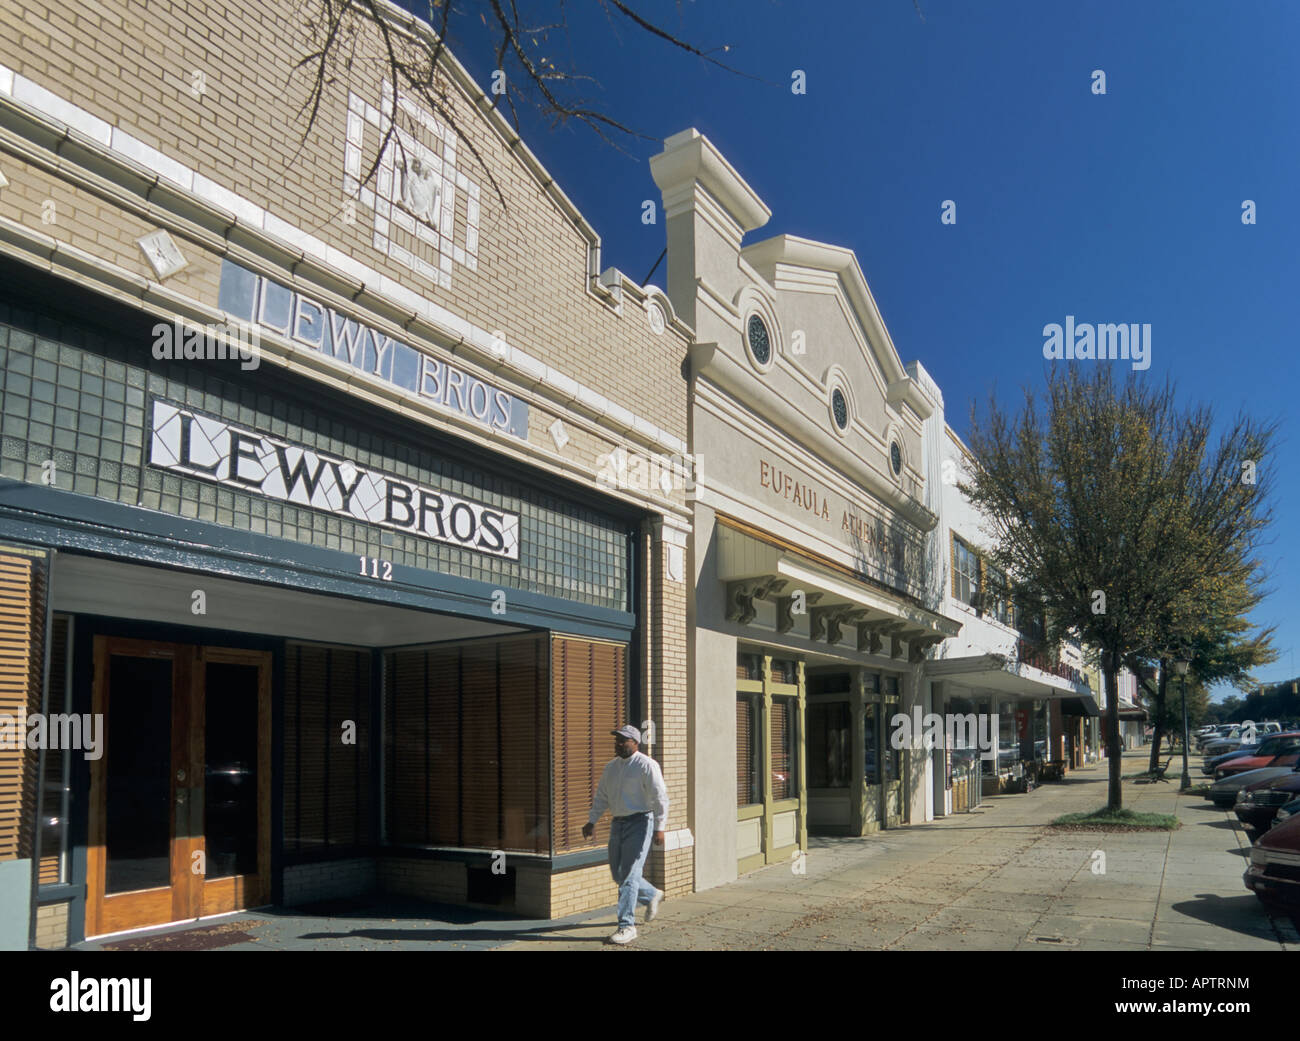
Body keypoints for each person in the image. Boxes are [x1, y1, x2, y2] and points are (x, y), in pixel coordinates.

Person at [582, 724, 669, 945]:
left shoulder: (647, 765)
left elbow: (660, 798)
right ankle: (651, 894)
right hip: (618, 822)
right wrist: (592, 820)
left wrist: (660, 827)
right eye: (617, 740)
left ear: (635, 743)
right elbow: (602, 795)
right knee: (618, 873)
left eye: (623, 741)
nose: (619, 744)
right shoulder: (611, 767)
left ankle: (626, 926)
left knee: (629, 874)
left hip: (641, 821)